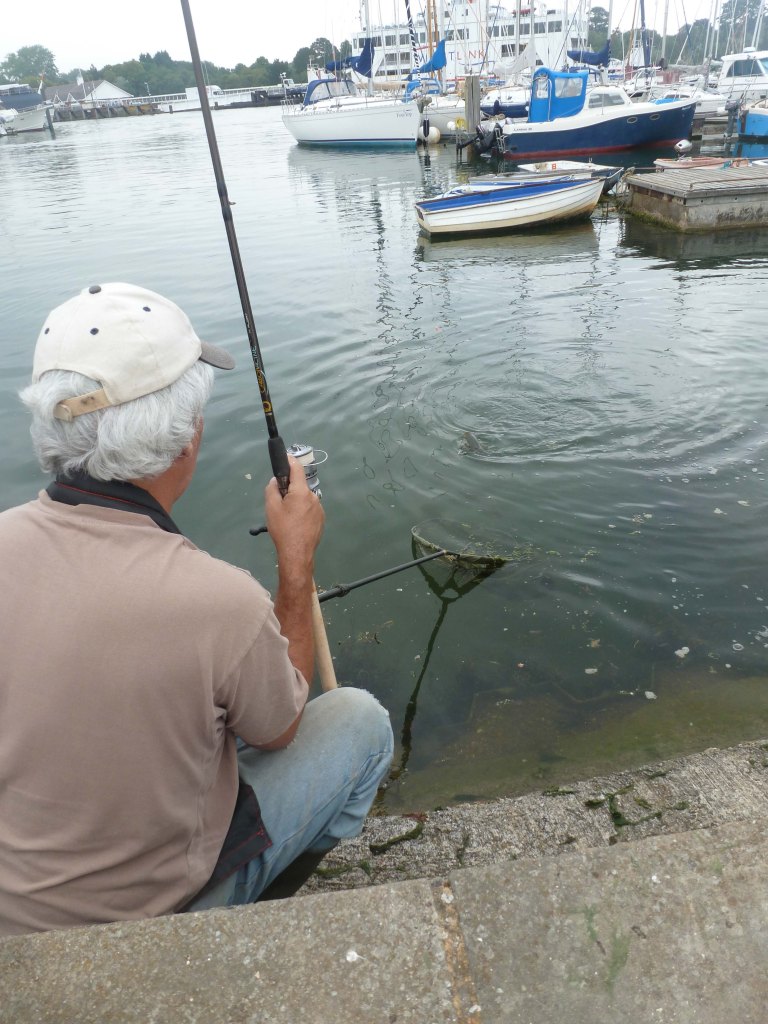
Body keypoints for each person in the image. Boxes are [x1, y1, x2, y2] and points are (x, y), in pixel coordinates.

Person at [0, 282, 394, 937]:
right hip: (147, 927)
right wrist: (294, 563)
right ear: (186, 439)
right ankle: (245, 919)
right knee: (360, 722)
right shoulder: (219, 601)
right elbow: (283, 725)